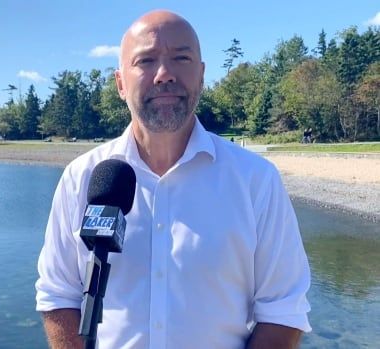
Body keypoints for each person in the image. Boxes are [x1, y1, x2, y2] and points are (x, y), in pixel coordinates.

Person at [35, 10, 311, 349]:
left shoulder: (256, 181)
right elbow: (58, 296)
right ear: (120, 83)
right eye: (146, 61)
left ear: (201, 75)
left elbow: (283, 311)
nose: (164, 74)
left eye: (181, 58)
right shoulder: (81, 178)